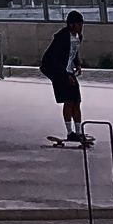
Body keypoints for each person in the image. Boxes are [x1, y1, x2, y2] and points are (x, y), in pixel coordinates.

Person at [40, 10, 91, 145]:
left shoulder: (77, 36)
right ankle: (70, 132)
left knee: (76, 100)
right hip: (57, 71)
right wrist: (64, 75)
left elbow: (74, 52)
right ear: (71, 25)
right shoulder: (62, 37)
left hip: (68, 71)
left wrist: (78, 64)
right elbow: (55, 59)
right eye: (78, 24)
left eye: (81, 24)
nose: (81, 27)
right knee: (68, 101)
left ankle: (79, 132)